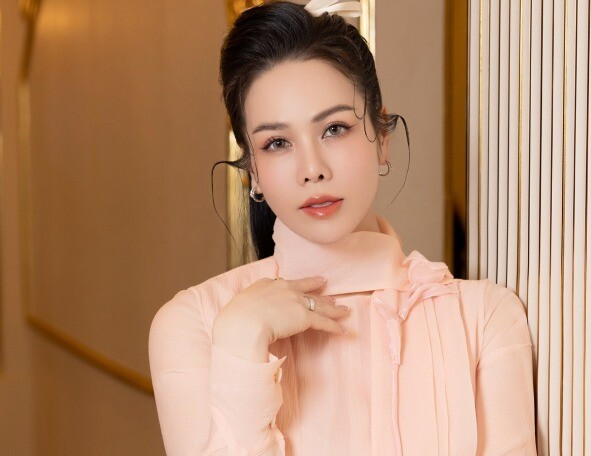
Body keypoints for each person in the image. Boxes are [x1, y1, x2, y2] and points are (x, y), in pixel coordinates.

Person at [148, 1, 537, 454]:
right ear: (252, 170)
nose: (312, 169)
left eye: (334, 128)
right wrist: (240, 341)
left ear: (382, 137)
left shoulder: (484, 318)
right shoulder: (196, 323)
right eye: (277, 142)